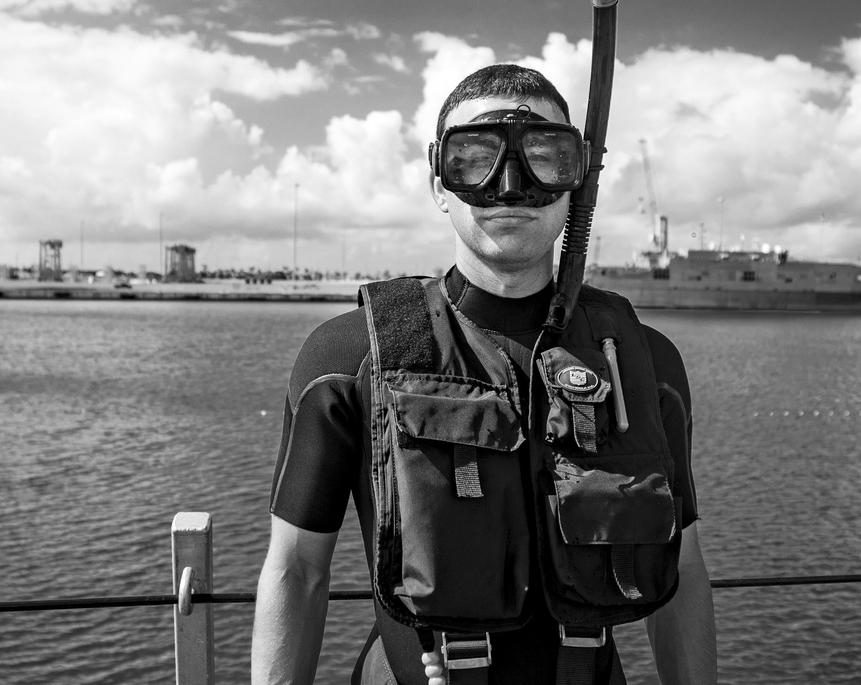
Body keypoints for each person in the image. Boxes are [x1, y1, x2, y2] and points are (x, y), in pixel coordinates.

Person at [251, 64, 717, 685]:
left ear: (579, 180)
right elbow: (296, 572)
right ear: (439, 182)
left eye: (545, 158)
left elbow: (681, 567)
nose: (509, 186)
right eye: (474, 159)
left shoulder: (642, 361)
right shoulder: (349, 357)